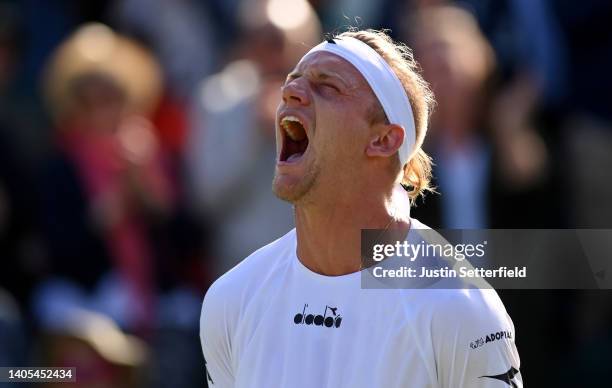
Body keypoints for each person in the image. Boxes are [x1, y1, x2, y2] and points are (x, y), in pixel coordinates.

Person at [200, 29, 522, 387]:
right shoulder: (231, 301)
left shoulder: (458, 309)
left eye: (327, 87)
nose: (289, 92)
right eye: (293, 81)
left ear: (384, 140)